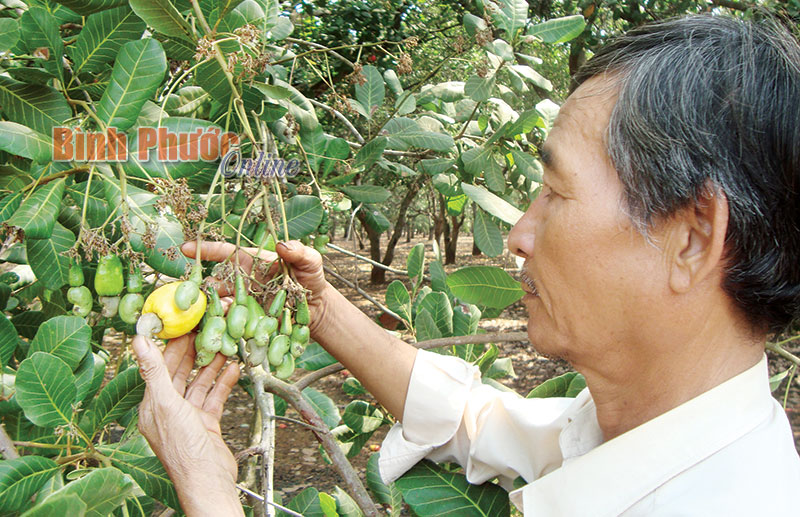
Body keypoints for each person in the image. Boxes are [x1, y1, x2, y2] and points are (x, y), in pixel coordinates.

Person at [132, 14, 800, 516]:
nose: (518, 233)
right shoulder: (635, 427)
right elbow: (476, 421)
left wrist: (209, 489)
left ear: (692, 237)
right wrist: (318, 309)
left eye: (556, 192)